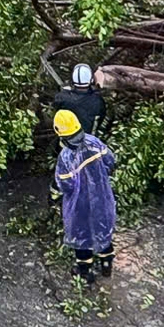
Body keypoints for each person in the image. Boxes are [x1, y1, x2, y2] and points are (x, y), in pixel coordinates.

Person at [52, 108, 117, 282]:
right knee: (103, 229)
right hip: (102, 198)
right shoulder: (94, 142)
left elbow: (65, 185)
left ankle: (85, 272)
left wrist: (55, 197)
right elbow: (110, 161)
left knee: (82, 236)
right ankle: (106, 266)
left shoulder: (65, 157)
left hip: (79, 205)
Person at [53, 61, 105, 140]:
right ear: (91, 80)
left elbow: (56, 105)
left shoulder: (62, 97)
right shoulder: (98, 101)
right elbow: (101, 118)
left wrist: (66, 91)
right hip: (89, 144)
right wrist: (98, 86)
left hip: (65, 144)